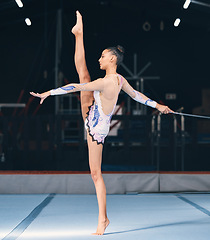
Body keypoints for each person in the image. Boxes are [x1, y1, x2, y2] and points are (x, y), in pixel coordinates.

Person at [30, 11, 173, 235]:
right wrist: (159, 106)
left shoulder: (105, 82)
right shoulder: (119, 79)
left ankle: (103, 219)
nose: (100, 59)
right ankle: (79, 34)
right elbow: (137, 95)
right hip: (95, 114)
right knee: (83, 73)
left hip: (95, 126)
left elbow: (74, 88)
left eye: (103, 56)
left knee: (96, 174)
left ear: (112, 59)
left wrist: (48, 93)